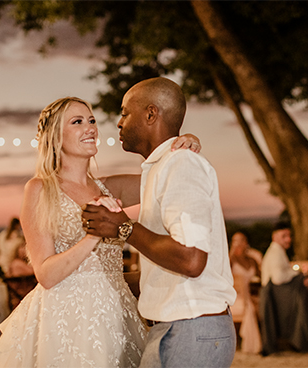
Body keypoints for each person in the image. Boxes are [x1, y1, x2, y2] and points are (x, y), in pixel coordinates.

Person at [0, 96, 200, 368]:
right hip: (64, 320)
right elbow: (46, 275)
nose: (90, 128)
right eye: (77, 122)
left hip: (116, 313)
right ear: (54, 136)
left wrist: (181, 146)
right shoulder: (40, 189)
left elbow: (167, 177)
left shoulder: (112, 187)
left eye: (92, 121)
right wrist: (95, 234)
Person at [82, 78, 236, 368]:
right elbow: (162, 272)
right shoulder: (160, 170)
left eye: (125, 113)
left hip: (191, 329)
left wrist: (122, 227)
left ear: (151, 114)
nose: (118, 122)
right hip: (177, 328)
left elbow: (191, 259)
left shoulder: (181, 164)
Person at [258, 221, 308, 355]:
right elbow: (279, 278)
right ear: (275, 237)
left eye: (289, 236)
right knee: (303, 297)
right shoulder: (275, 253)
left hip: (276, 295)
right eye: (284, 236)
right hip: (275, 296)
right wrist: (300, 277)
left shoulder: (278, 251)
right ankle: (303, 338)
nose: (288, 239)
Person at [229, 231, 262, 354]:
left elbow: (260, 277)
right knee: (249, 307)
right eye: (235, 240)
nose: (238, 244)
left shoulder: (252, 260)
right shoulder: (230, 260)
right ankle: (252, 345)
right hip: (237, 296)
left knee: (259, 303)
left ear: (246, 243)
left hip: (253, 293)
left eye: (241, 240)